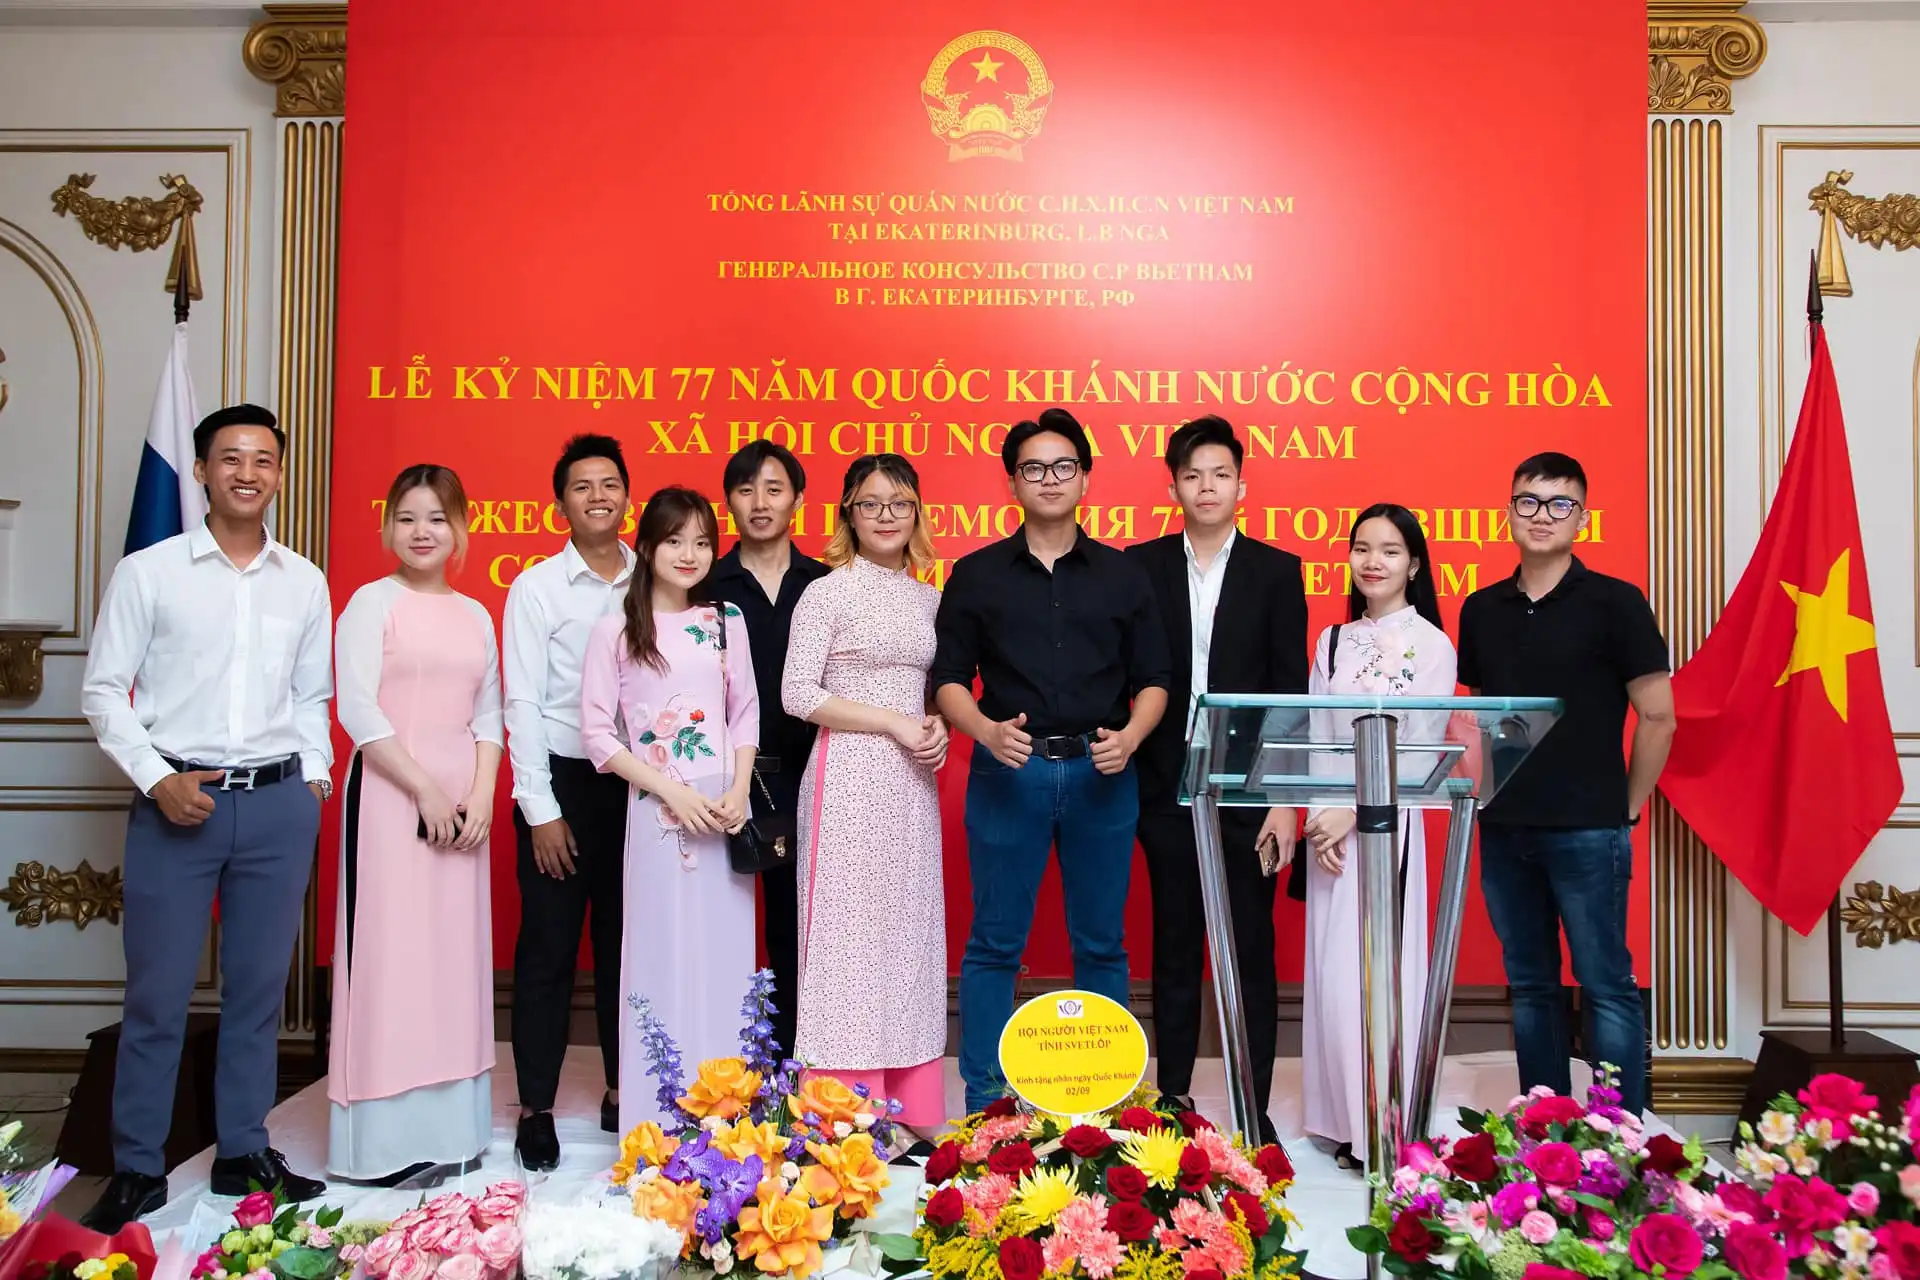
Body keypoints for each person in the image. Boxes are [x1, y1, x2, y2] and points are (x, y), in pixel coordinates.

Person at [78, 404, 332, 1231]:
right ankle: (137, 1167)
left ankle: (241, 1152)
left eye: (263, 460)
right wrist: (158, 781)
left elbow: (312, 696)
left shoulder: (304, 580)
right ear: (201, 471)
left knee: (257, 992)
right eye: (231, 458)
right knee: (157, 996)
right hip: (177, 803)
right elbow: (102, 690)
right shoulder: (149, 572)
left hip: (278, 806)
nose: (247, 473)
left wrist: (313, 782)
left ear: (279, 474)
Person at [932, 407, 1172, 1114]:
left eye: (1063, 466)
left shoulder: (1123, 575)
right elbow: (948, 679)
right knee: (993, 942)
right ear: (1012, 482)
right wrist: (983, 729)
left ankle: (1105, 1100)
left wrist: (1131, 737)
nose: (1049, 478)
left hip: (1103, 773)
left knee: (1102, 943)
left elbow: (1156, 679)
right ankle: (984, 1103)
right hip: (1010, 773)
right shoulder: (976, 574)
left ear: (1085, 479)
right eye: (1033, 468)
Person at [1457, 452, 1672, 1117]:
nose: (1542, 516)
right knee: (1530, 986)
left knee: (1606, 985)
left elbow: (1658, 715)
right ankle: (1546, 1135)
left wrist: (1626, 806)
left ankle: (1621, 1138)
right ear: (1509, 511)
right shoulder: (1482, 609)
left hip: (1588, 827)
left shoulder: (1616, 603)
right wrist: (1485, 795)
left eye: (1559, 504)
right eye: (1529, 501)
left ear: (1582, 517)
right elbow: (1482, 719)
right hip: (1506, 828)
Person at [1125, 416, 1306, 1147]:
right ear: (1173, 486)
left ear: (1241, 486)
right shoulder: (1140, 566)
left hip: (1248, 790)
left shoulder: (1276, 571)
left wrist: (1286, 802)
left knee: (1251, 949)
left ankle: (1251, 1105)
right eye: (1193, 475)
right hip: (1163, 784)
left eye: (1220, 474)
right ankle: (1172, 1097)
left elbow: (1290, 694)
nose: (1207, 486)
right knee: (1174, 944)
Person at [327, 464, 501, 1185]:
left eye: (436, 518)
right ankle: (380, 1145)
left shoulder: (475, 614)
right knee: (391, 958)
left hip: (464, 811)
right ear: (387, 527)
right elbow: (357, 709)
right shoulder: (372, 604)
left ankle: (453, 1132)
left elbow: (489, 713)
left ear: (460, 529)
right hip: (391, 799)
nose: (422, 532)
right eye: (407, 518)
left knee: (452, 962)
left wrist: (482, 794)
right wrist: (426, 789)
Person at [580, 487, 759, 1135]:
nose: (690, 554)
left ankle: (729, 1117)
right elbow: (597, 737)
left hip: (723, 811)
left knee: (725, 958)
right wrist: (670, 792)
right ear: (648, 547)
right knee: (660, 954)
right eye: (675, 540)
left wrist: (738, 790)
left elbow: (745, 713)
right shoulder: (617, 630)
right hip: (657, 812)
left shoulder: (725, 621)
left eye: (702, 541)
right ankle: (657, 1122)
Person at [782, 454, 948, 1133]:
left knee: (909, 939)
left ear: (917, 513)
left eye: (899, 503)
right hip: (847, 781)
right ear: (848, 512)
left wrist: (934, 724)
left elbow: (930, 692)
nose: (886, 516)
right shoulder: (827, 593)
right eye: (871, 503)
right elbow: (797, 694)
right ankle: (844, 1117)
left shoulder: (928, 598)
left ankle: (912, 1110)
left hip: (912, 787)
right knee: (846, 944)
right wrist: (890, 722)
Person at [1299, 504, 1456, 1171]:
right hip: (1330, 837)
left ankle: (1384, 1130)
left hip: (1388, 827)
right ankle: (1341, 1120)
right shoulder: (1332, 640)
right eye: (1362, 548)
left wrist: (1354, 809)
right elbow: (1315, 739)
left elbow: (1420, 751)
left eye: (1390, 551)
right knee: (1334, 980)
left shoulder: (1433, 645)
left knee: (1379, 974)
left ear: (1414, 564)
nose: (1373, 562)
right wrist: (1320, 818)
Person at [503, 433, 634, 1169]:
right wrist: (540, 809)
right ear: (561, 504)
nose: (597, 496)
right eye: (582, 486)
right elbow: (521, 701)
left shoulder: (655, 577)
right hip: (561, 781)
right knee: (548, 951)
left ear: (626, 496)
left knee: (626, 947)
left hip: (636, 788)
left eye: (609, 484)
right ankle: (536, 1107)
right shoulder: (537, 588)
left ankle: (623, 1090)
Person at [708, 440, 829, 1061]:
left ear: (798, 501)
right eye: (746, 489)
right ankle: (719, 1062)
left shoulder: (826, 585)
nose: (760, 502)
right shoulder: (703, 584)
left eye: (774, 489)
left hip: (811, 777)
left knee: (797, 924)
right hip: (724, 780)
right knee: (719, 922)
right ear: (728, 502)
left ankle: (792, 1063)